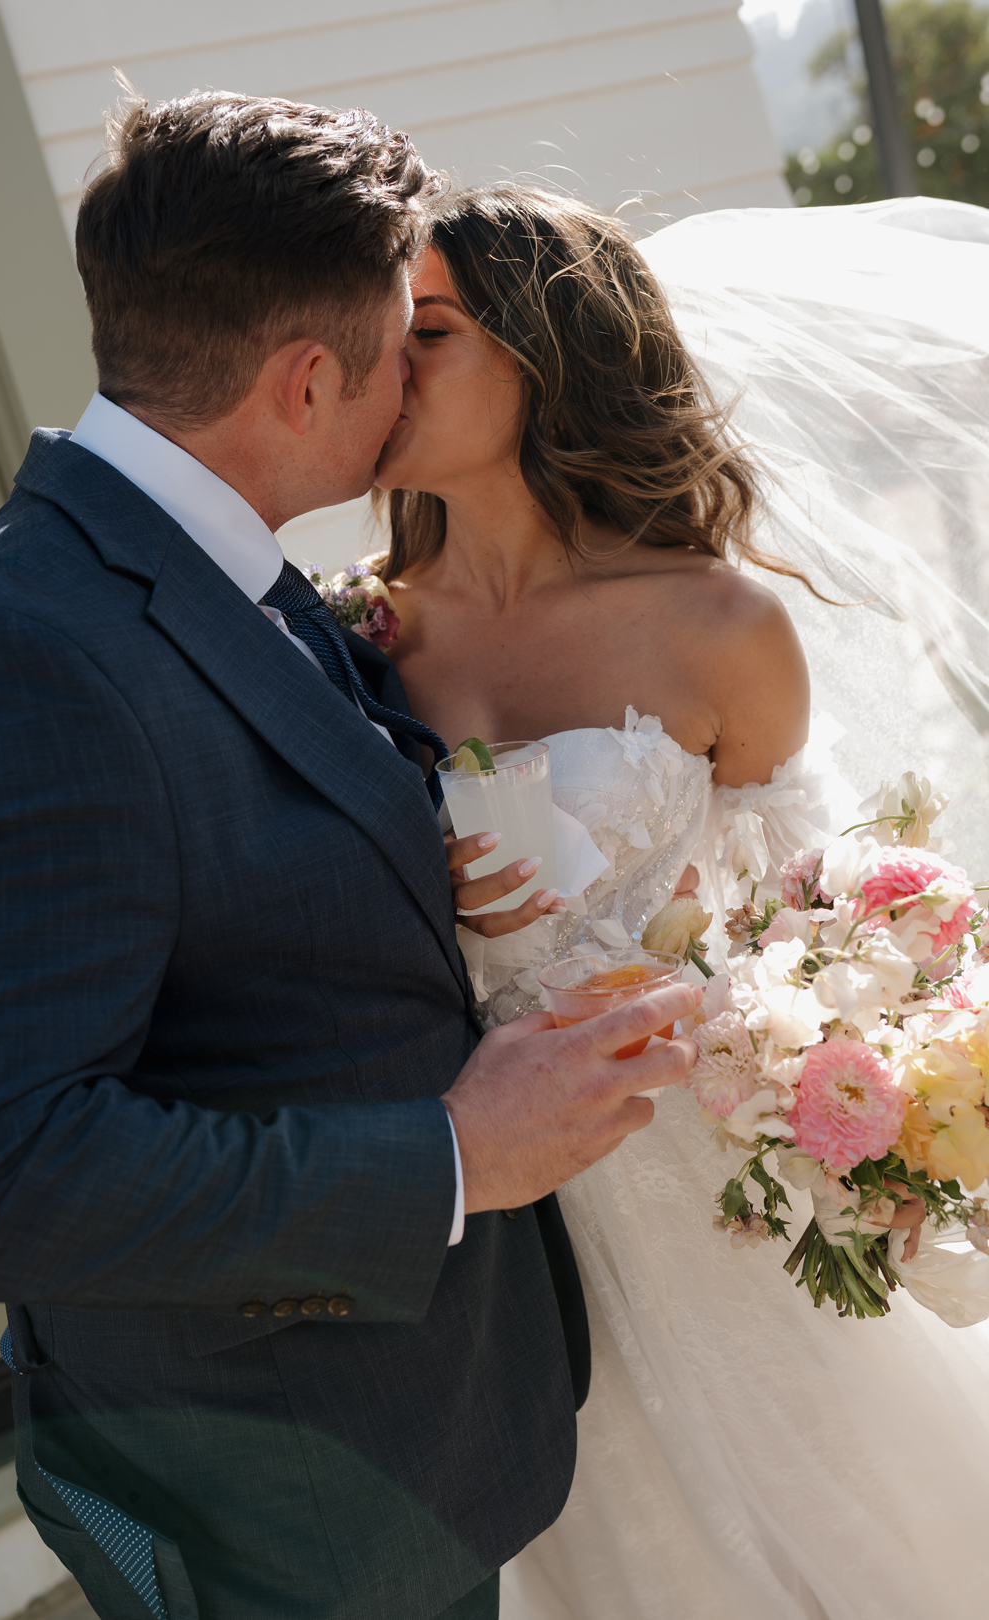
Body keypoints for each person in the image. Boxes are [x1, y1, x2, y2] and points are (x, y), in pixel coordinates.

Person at [0, 101, 704, 1620]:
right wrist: (457, 1156)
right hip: (273, 1508)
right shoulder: (23, 657)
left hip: (401, 1445)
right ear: (310, 377)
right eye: (410, 338)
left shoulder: (230, 565)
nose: (423, 375)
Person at [373, 183, 989, 1620]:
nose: (389, 363)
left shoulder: (722, 624)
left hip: (719, 1192)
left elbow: (826, 932)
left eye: (434, 332)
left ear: (546, 352)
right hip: (511, 1234)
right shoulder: (361, 632)